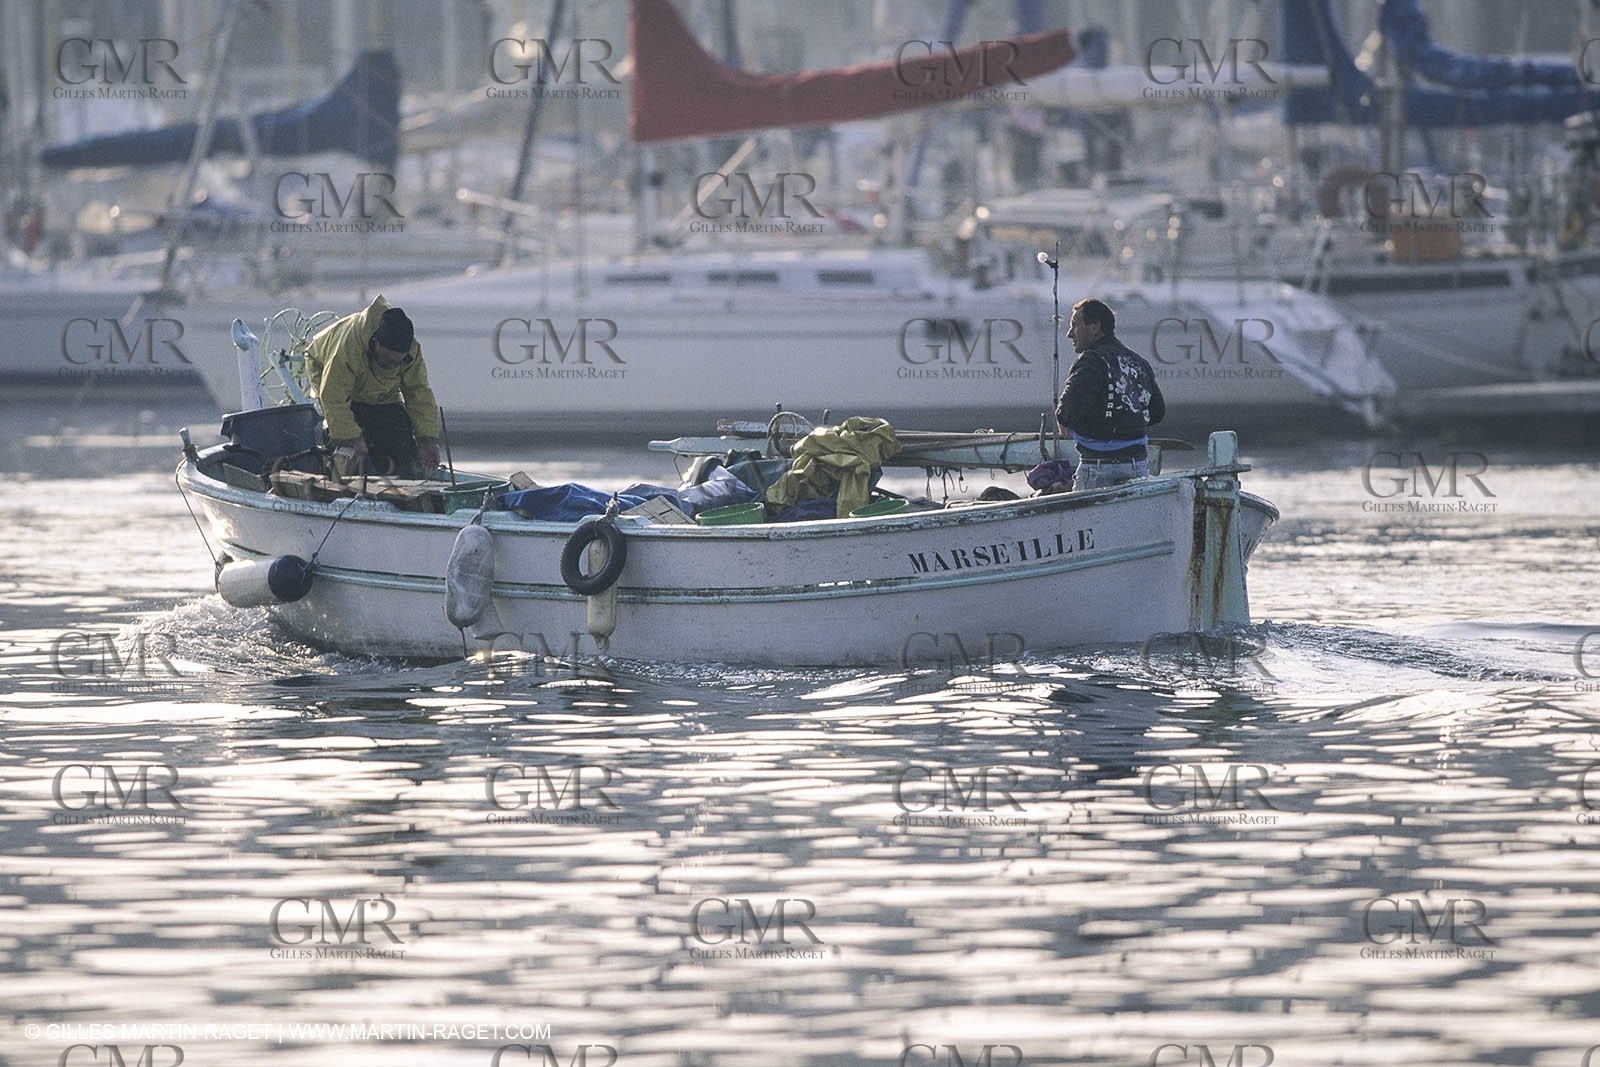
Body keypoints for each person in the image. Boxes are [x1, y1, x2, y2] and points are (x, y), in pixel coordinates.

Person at [306, 295, 442, 478]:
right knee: (356, 449)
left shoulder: (411, 351)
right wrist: (351, 438)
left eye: (397, 362)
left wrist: (427, 439)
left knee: (399, 440)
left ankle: (404, 483)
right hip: (333, 376)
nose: (391, 365)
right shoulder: (348, 345)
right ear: (374, 343)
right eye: (387, 360)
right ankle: (347, 479)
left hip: (381, 392)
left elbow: (418, 393)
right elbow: (333, 396)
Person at [1056, 297, 1165, 491]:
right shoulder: (1138, 362)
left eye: (1074, 325)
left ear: (1095, 326)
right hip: (1138, 466)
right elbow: (1157, 412)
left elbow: (1068, 411)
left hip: (1098, 467)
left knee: (1087, 521)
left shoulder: (1091, 360)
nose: (1069, 334)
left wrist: (1071, 426)